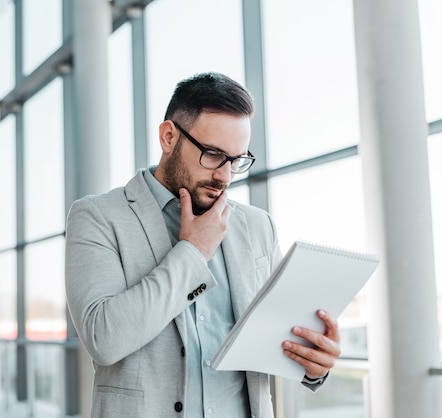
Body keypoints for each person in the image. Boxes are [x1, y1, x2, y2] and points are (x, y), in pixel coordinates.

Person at [65, 72, 341, 418]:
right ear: (168, 137)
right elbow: (104, 339)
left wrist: (314, 366)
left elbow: (274, 341)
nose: (224, 176)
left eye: (236, 160)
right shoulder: (98, 216)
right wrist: (193, 253)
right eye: (213, 154)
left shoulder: (258, 226)